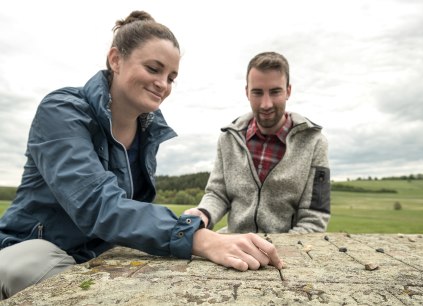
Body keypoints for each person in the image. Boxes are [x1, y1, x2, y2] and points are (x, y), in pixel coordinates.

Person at [0, 12, 283, 300]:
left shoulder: (147, 131)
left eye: (171, 77)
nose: (163, 84)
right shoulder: (61, 111)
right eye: (153, 69)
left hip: (99, 254)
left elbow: (131, 213)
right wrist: (196, 236)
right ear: (115, 59)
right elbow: (97, 204)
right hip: (35, 248)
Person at [185, 51, 330, 234]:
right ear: (247, 92)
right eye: (257, 93)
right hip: (235, 246)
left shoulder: (315, 143)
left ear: (288, 91)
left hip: (286, 254)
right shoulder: (229, 138)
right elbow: (217, 193)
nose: (266, 104)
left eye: (275, 92)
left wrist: (273, 250)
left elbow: (314, 219)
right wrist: (203, 213)